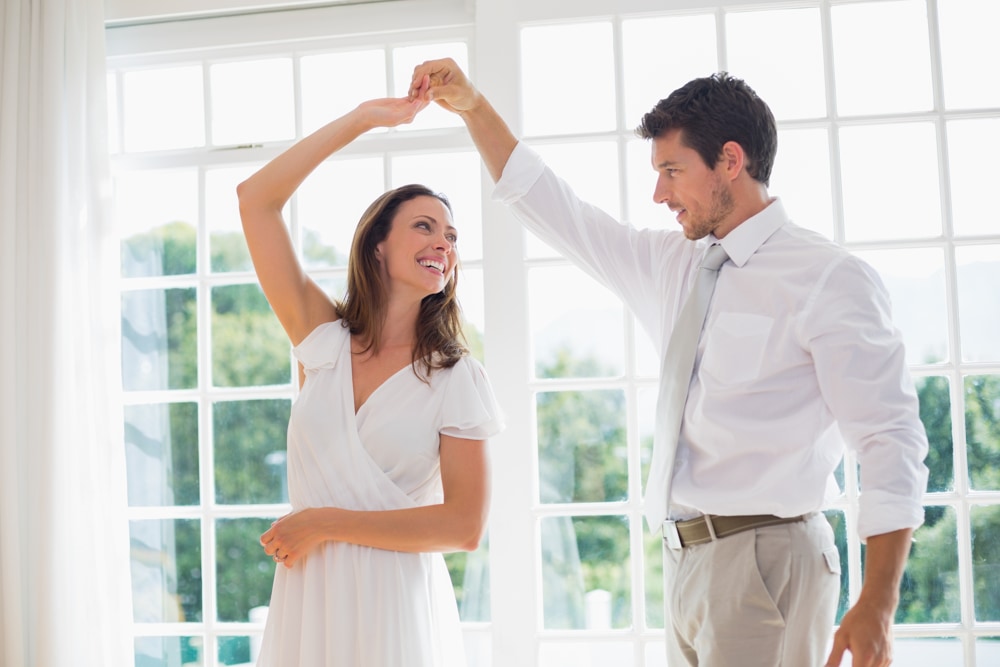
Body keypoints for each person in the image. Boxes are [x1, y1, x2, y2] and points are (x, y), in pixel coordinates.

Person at [407, 59, 929, 667]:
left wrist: (879, 601)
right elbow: (555, 207)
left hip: (768, 555)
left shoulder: (827, 278)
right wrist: (473, 106)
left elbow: (889, 435)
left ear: (730, 162)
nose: (659, 193)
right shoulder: (674, 264)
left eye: (672, 171)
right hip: (685, 560)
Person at [236, 89, 504, 667]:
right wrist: (361, 119)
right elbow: (255, 200)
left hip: (395, 607)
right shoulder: (321, 341)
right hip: (310, 597)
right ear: (378, 246)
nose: (443, 244)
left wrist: (322, 524)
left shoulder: (456, 377)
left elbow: (463, 526)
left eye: (451, 237)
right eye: (425, 227)